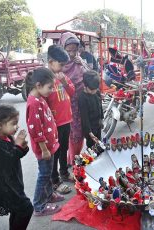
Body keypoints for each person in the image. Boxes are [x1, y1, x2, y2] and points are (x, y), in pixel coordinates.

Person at [0, 104, 33, 230]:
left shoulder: (6, 137)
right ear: (0, 125)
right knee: (26, 208)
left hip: (14, 183)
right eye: (13, 123)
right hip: (7, 187)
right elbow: (10, 159)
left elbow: (16, 155)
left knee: (17, 211)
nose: (17, 127)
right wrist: (17, 145)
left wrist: (22, 146)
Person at [25, 67, 63, 216]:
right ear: (38, 85)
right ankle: (39, 206)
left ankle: (49, 196)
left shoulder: (40, 98)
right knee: (44, 175)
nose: (52, 90)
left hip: (49, 146)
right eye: (50, 87)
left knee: (47, 173)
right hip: (44, 148)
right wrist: (44, 149)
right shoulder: (33, 103)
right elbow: (36, 130)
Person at [46, 44, 75, 194]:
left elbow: (72, 91)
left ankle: (64, 172)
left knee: (64, 149)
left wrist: (64, 82)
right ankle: (54, 180)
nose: (63, 68)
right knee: (55, 153)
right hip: (54, 124)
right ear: (51, 62)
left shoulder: (64, 77)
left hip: (66, 120)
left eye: (64, 65)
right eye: (60, 64)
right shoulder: (46, 79)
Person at [59, 32, 90, 165]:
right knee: (64, 135)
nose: (72, 54)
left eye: (74, 50)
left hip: (80, 104)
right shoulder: (58, 64)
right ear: (63, 49)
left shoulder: (79, 61)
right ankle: (65, 163)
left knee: (78, 133)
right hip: (64, 106)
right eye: (68, 50)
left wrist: (82, 63)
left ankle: (73, 159)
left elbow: (90, 77)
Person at [78, 70, 103, 148]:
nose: (94, 91)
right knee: (92, 147)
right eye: (92, 89)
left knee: (99, 145)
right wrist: (89, 133)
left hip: (98, 124)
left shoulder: (96, 92)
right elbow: (84, 117)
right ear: (85, 85)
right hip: (90, 128)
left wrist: (101, 119)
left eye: (96, 89)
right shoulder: (82, 97)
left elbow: (100, 106)